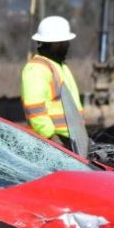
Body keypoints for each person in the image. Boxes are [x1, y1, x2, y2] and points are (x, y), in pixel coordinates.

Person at [20, 15, 87, 155]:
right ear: (55, 43)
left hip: (72, 141)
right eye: (65, 41)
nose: (68, 44)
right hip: (55, 144)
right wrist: (51, 137)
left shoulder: (60, 66)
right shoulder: (37, 69)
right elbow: (35, 109)